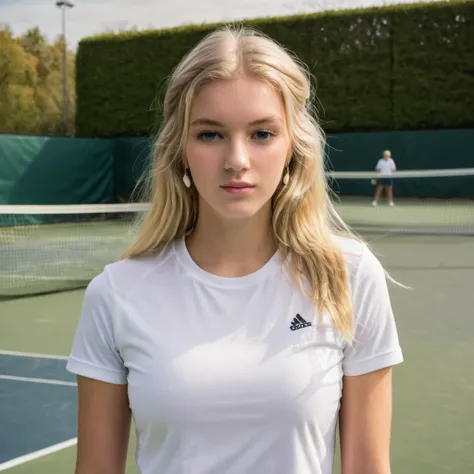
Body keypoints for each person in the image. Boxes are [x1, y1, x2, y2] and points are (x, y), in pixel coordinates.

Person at [66, 26, 403, 474]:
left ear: (292, 149)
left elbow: (367, 467)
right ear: (181, 149)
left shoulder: (350, 277)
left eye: (262, 134)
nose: (237, 160)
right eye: (210, 135)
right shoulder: (115, 294)